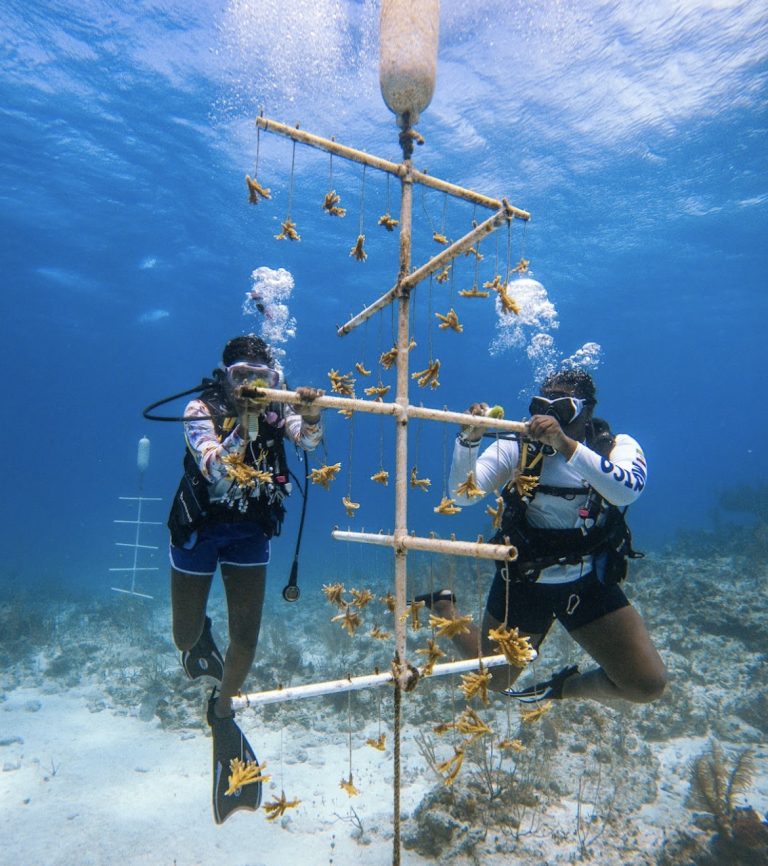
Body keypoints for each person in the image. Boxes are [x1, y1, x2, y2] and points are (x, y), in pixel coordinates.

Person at [429, 368, 667, 705]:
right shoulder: (516, 446)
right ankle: (443, 605)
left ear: (587, 411)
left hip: (589, 581)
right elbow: (462, 496)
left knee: (647, 684)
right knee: (493, 681)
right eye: (542, 405)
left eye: (563, 407)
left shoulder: (615, 447)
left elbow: (626, 491)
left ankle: (562, 689)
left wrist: (565, 445)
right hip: (524, 581)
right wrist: (468, 441)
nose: (549, 416)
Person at [166, 334, 323, 822]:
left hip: (250, 532)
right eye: (242, 377)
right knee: (184, 635)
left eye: (263, 378)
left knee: (248, 639)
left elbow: (309, 440)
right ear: (225, 374)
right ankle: (200, 639)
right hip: (199, 527)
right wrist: (248, 423)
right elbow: (214, 468)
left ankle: (223, 708)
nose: (252, 387)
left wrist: (311, 415)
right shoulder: (199, 408)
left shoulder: (277, 409)